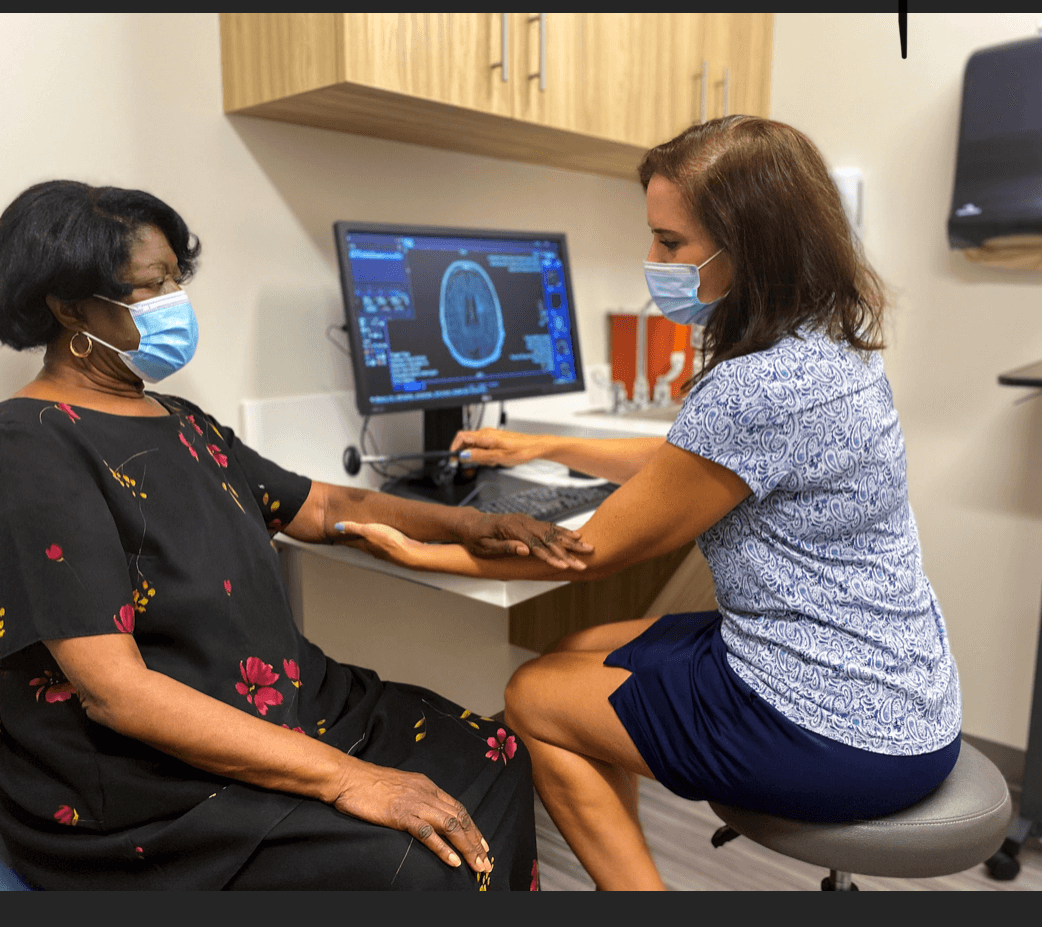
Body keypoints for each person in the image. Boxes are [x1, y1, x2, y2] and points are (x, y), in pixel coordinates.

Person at [337, 116, 963, 891]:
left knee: (533, 695)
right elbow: (694, 464)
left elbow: (591, 551)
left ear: (751, 248)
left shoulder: (756, 386)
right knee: (574, 650)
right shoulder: (824, 348)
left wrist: (427, 547)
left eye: (670, 244)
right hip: (901, 687)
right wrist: (542, 447)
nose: (652, 262)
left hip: (840, 725)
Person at [0, 180, 592, 890]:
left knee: (497, 753)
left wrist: (473, 522)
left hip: (285, 706)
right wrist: (350, 778)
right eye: (148, 286)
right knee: (410, 863)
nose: (174, 301)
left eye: (174, 279)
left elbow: (321, 506)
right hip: (139, 780)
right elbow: (116, 694)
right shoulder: (25, 447)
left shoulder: (181, 419)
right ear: (69, 304)